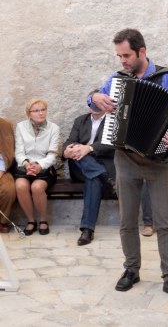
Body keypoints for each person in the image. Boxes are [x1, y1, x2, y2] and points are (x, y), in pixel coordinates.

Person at [88, 28, 168, 300]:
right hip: (124, 158)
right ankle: (131, 269)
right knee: (126, 220)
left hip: (158, 160)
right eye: (119, 55)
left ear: (142, 52)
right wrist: (94, 98)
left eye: (126, 55)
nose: (122, 61)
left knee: (166, 221)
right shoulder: (116, 80)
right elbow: (94, 100)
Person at [63, 98, 116, 246]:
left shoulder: (113, 121)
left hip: (100, 165)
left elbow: (113, 145)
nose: (94, 107)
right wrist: (67, 151)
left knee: (93, 179)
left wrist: (89, 148)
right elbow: (69, 141)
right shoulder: (80, 120)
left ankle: (87, 230)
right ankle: (107, 179)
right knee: (79, 154)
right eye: (92, 104)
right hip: (81, 167)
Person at [15, 98, 60, 236]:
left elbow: (52, 155)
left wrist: (40, 166)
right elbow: (19, 152)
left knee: (37, 187)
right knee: (21, 186)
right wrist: (27, 164)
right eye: (36, 110)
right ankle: (30, 221)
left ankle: (43, 220)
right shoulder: (20, 127)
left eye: (43, 109)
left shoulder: (54, 128)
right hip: (25, 167)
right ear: (29, 113)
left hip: (45, 170)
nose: (41, 113)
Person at [0, 118, 16, 233]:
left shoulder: (4, 125)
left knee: (8, 189)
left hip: (1, 168)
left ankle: (2, 222)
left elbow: (8, 152)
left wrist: (1, 170)